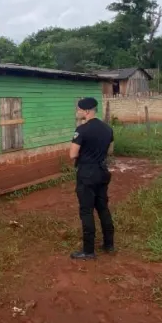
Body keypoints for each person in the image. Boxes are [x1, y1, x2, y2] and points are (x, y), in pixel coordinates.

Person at [69, 97, 115, 261]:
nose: (78, 112)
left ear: (86, 111)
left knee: (86, 211)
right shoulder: (108, 129)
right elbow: (109, 151)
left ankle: (88, 251)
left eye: (79, 109)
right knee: (103, 208)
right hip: (102, 172)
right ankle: (109, 244)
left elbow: (72, 154)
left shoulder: (82, 130)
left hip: (87, 173)